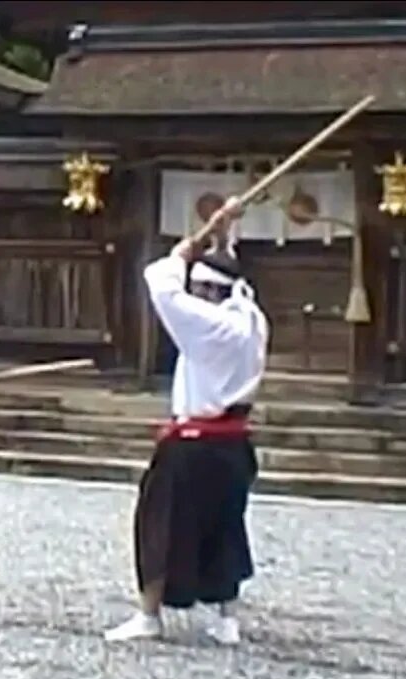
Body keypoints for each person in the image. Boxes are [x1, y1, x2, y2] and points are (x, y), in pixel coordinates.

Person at [104, 195, 269, 645]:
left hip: (193, 446)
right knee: (224, 524)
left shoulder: (211, 327)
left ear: (208, 293)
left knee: (158, 521)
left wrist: (183, 251)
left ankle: (148, 615)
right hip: (234, 447)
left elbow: (160, 283)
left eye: (200, 291)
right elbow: (225, 269)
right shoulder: (251, 319)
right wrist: (221, 229)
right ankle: (226, 617)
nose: (194, 297)